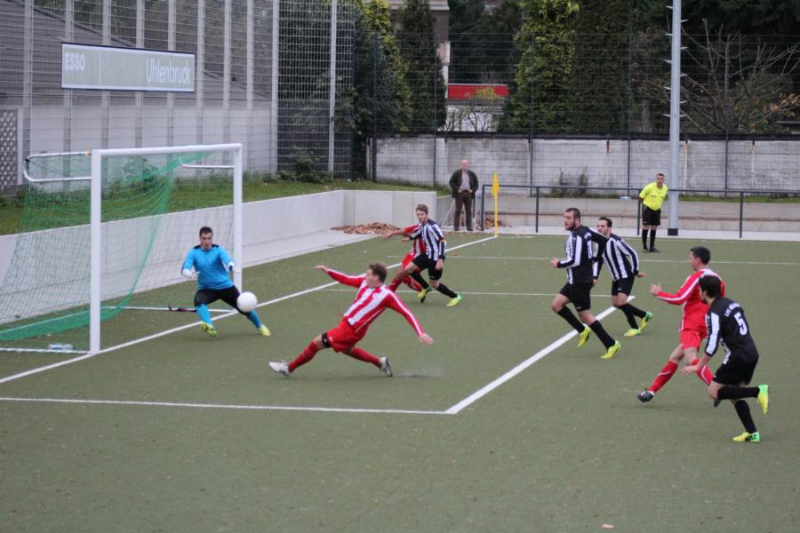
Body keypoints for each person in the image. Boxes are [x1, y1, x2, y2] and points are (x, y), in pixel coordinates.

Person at [268, 262, 434, 377]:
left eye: (368, 274)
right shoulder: (364, 283)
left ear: (376, 278)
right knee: (348, 350)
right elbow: (345, 278)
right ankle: (380, 363)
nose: (365, 275)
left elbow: (407, 312)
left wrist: (420, 332)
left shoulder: (387, 296)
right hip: (346, 325)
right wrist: (328, 270)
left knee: (316, 343)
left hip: (351, 331)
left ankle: (289, 368)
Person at [680, 276, 768, 442]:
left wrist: (698, 366)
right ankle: (752, 433)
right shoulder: (731, 303)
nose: (698, 292)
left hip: (737, 356)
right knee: (734, 394)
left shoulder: (713, 313)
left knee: (714, 392)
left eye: (699, 290)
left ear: (705, 292)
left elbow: (712, 345)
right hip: (751, 352)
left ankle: (758, 391)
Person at [637, 246, 723, 403]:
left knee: (691, 359)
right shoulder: (718, 279)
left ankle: (717, 389)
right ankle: (651, 391)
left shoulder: (697, 277)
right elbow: (719, 304)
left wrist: (659, 293)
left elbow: (679, 299)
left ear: (698, 260)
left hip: (691, 324)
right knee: (675, 357)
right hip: (706, 325)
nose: (689, 261)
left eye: (691, 258)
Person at [550, 208, 621, 359]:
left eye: (569, 218)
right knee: (556, 305)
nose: (565, 221)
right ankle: (582, 331)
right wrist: (595, 258)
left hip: (580, 282)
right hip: (575, 280)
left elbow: (575, 261)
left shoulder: (577, 236)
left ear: (577, 220)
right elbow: (604, 240)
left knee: (586, 316)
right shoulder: (586, 231)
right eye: (564, 217)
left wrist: (559, 264)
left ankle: (611, 344)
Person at [181, 226, 270, 338]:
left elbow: (228, 260)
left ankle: (260, 326)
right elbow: (185, 269)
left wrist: (231, 266)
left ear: (212, 238)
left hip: (226, 287)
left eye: (209, 238)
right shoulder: (193, 252)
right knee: (198, 302)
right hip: (206, 289)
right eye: (204, 238)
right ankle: (209, 325)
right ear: (200, 239)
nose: (207, 241)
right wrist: (190, 275)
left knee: (244, 308)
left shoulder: (218, 249)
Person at [389, 204, 462, 307]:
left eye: (422, 214)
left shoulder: (433, 226)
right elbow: (421, 233)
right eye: (418, 214)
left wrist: (440, 259)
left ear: (427, 214)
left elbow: (442, 241)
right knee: (408, 269)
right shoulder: (422, 225)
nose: (420, 216)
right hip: (426, 255)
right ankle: (425, 286)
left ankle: (455, 296)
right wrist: (410, 238)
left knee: (434, 284)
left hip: (435, 258)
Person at [593, 216, 653, 337]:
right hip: (616, 277)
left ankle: (634, 328)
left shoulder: (616, 241)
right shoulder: (598, 244)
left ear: (609, 228)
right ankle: (644, 315)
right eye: (598, 226)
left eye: (602, 226)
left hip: (625, 275)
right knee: (615, 303)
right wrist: (595, 276)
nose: (599, 228)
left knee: (621, 302)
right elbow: (598, 260)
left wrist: (635, 271)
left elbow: (633, 253)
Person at [383, 223, 429, 298]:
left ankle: (388, 293)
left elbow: (406, 232)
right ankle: (421, 289)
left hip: (422, 255)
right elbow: (407, 232)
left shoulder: (431, 227)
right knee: (401, 274)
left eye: (421, 216)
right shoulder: (419, 226)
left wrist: (393, 233)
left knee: (401, 273)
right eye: (418, 216)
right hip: (414, 253)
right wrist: (400, 233)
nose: (420, 217)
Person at [639, 173, 668, 253]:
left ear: (663, 180)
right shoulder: (649, 187)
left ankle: (652, 247)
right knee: (646, 227)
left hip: (657, 210)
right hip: (647, 209)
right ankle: (645, 247)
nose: (659, 180)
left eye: (661, 179)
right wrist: (645, 205)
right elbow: (641, 196)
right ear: (656, 179)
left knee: (654, 227)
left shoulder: (665, 188)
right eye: (658, 178)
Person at [448, 159, 479, 232]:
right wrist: (457, 189)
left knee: (469, 211)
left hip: (468, 194)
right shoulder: (457, 173)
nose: (464, 165)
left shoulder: (471, 173)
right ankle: (456, 227)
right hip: (459, 194)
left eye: (466, 164)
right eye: (463, 164)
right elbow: (451, 182)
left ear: (468, 165)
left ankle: (469, 227)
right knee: (458, 210)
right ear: (461, 165)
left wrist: (472, 190)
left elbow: (476, 183)